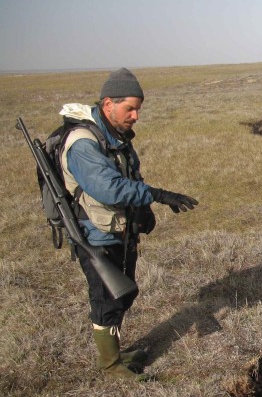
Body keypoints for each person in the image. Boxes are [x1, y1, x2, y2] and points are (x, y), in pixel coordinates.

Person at [60, 67, 198, 380]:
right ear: (108, 104)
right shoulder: (83, 142)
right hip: (95, 235)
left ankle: (117, 352)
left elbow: (128, 176)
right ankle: (111, 366)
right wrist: (159, 195)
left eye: (138, 109)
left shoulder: (115, 136)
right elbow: (108, 187)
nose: (135, 116)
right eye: (130, 109)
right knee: (107, 298)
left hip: (117, 231)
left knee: (124, 293)